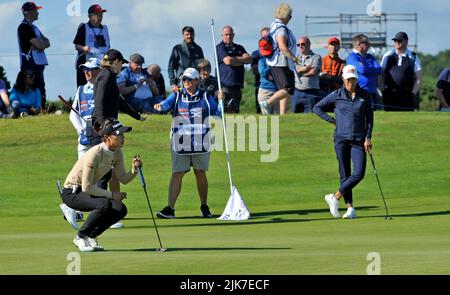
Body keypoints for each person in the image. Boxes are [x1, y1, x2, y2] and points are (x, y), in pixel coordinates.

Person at [61, 119, 142, 252]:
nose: (123, 137)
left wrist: (134, 169)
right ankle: (80, 237)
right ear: (107, 138)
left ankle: (91, 236)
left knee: (120, 208)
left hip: (86, 192)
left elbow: (123, 179)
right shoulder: (95, 153)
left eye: (123, 134)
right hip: (72, 192)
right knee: (104, 204)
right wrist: (112, 195)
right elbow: (86, 187)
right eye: (119, 134)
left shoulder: (116, 153)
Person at [154, 68, 223, 219]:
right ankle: (170, 209)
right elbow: (165, 105)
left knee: (200, 173)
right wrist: (159, 106)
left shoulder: (205, 96)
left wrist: (221, 101)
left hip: (200, 140)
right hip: (180, 141)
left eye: (189, 79)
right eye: (184, 79)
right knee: (177, 173)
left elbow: (217, 113)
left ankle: (204, 206)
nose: (186, 82)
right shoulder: (177, 95)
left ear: (197, 81)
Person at [313, 65, 374, 219]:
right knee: (344, 173)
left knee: (359, 173)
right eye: (348, 79)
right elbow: (317, 108)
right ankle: (350, 208)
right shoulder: (337, 95)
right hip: (341, 139)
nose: (350, 82)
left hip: (359, 140)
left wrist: (368, 137)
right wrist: (332, 120)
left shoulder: (365, 95)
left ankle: (334, 197)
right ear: (343, 79)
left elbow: (370, 119)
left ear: (356, 79)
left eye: (353, 79)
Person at [260, 3, 298, 115]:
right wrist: (294, 58)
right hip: (280, 62)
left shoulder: (273, 25)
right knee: (288, 89)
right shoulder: (281, 29)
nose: (291, 18)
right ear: (286, 16)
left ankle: (282, 113)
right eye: (290, 15)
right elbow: (282, 46)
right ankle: (267, 103)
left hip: (277, 62)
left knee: (287, 89)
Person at [17, 1, 50, 110]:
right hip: (29, 64)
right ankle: (32, 110)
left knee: (40, 88)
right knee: (32, 89)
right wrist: (40, 44)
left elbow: (47, 42)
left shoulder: (34, 28)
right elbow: (40, 45)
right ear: (29, 12)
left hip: (37, 64)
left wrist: (40, 44)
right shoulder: (24, 27)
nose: (38, 13)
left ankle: (42, 109)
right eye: (36, 10)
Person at [381, 32, 422, 111]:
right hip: (390, 95)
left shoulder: (413, 57)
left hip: (407, 96)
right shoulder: (387, 56)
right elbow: (381, 75)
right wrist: (383, 90)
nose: (397, 42)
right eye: (395, 41)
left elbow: (419, 78)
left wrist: (413, 93)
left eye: (399, 41)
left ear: (406, 41)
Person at [70, 58, 101, 158]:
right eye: (85, 69)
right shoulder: (81, 89)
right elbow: (73, 113)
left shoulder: (105, 88)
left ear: (99, 71)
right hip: (84, 139)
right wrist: (80, 129)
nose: (86, 72)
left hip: (101, 138)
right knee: (82, 171)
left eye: (89, 69)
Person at [216, 26, 252, 113]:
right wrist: (241, 61)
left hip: (237, 84)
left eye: (230, 34)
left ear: (233, 35)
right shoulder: (220, 47)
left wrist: (234, 59)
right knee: (227, 110)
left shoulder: (239, 47)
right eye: (226, 34)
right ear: (222, 35)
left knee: (235, 111)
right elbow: (228, 61)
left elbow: (249, 59)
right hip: (225, 85)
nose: (228, 36)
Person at [73, 4, 110, 87]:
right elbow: (76, 45)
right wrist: (83, 48)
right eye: (98, 14)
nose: (100, 17)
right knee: (84, 86)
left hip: (102, 63)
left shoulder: (105, 29)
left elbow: (108, 46)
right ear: (90, 16)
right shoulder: (84, 27)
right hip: (86, 62)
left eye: (101, 15)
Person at [345, 34, 381, 109]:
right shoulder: (352, 57)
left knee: (372, 116)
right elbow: (362, 70)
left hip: (372, 91)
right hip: (359, 92)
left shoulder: (370, 56)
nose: (369, 45)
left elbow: (379, 69)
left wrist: (365, 66)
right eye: (367, 43)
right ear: (359, 45)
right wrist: (371, 68)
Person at [168, 26, 204, 93]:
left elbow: (202, 67)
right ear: (183, 35)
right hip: (181, 83)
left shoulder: (198, 49)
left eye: (191, 34)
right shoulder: (177, 49)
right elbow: (171, 67)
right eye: (187, 34)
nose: (189, 36)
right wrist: (173, 84)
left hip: (195, 83)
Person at [291, 36, 322, 113]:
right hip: (297, 93)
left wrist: (298, 73)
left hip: (311, 93)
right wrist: (304, 69)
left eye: (303, 44)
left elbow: (313, 72)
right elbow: (293, 70)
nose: (300, 46)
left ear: (309, 44)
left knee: (310, 119)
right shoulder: (296, 58)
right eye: (298, 45)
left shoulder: (316, 57)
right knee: (294, 118)